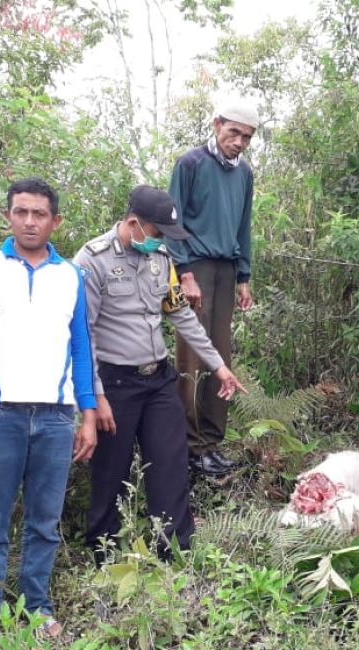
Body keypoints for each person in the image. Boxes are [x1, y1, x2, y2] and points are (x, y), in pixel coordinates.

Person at [0, 177, 98, 642]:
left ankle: (37, 607)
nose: (30, 221)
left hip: (56, 415)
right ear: (8, 216)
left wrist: (88, 414)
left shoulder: (70, 274)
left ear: (55, 221)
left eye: (39, 214)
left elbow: (81, 346)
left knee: (44, 520)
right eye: (21, 212)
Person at [76, 186, 246, 564]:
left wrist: (218, 366)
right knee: (111, 471)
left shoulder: (161, 259)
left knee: (170, 463)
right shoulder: (93, 261)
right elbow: (81, 334)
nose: (161, 243)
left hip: (158, 380)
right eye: (157, 235)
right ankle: (103, 554)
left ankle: (175, 551)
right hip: (114, 384)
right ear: (134, 224)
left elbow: (181, 314)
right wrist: (95, 396)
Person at [168, 99, 259, 476]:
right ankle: (189, 446)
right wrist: (184, 272)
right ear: (217, 123)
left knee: (220, 355)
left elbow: (243, 226)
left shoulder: (245, 174)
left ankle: (211, 443)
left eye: (247, 137)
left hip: (226, 268)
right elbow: (172, 220)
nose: (238, 142)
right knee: (191, 355)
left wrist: (244, 276)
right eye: (233, 132)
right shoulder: (190, 164)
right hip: (195, 266)